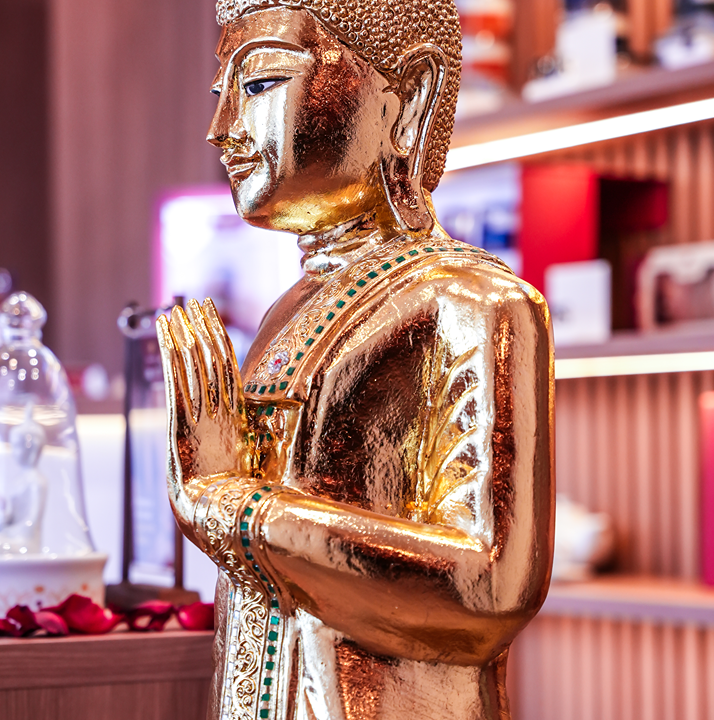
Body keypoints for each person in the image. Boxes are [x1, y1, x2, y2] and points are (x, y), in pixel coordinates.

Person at [156, 1, 554, 717]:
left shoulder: (473, 303)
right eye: (221, 92)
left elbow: (492, 588)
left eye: (260, 84)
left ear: (409, 99)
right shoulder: (286, 312)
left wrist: (230, 506)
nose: (222, 128)